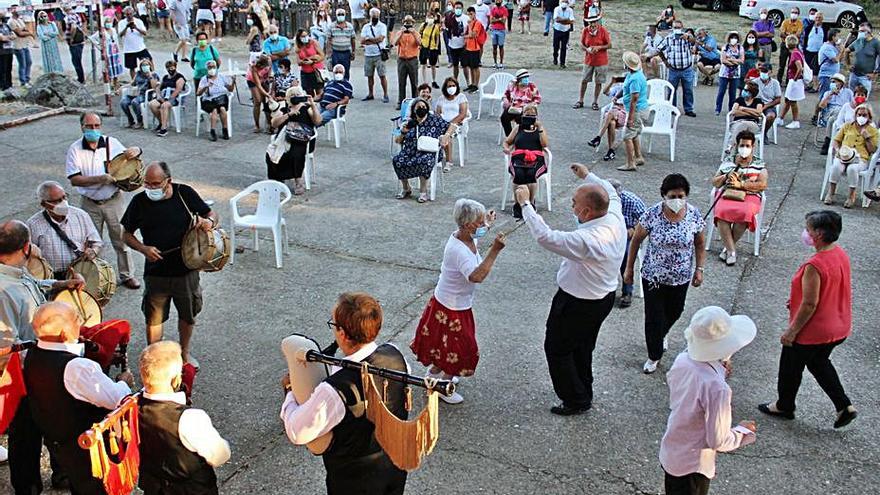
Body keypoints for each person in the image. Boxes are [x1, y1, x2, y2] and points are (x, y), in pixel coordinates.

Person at [516, 163, 625, 415]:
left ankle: (575, 399)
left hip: (579, 302)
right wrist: (587, 175)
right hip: (600, 297)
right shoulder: (613, 215)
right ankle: (583, 390)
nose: (571, 205)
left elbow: (545, 236)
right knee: (583, 347)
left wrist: (525, 205)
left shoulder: (589, 240)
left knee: (557, 348)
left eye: (575, 203)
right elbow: (610, 191)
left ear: (586, 212)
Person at [279, 292, 409, 494]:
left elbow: (298, 431)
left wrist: (290, 391)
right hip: (393, 470)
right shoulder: (396, 356)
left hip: (353, 482)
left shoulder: (334, 390)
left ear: (342, 334)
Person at [1, 220, 85, 493]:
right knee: (25, 434)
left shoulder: (15, 272)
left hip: (40, 362)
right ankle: (26, 486)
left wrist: (63, 283)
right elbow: (5, 345)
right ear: (27, 247)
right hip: (25, 373)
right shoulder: (3, 290)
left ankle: (60, 473)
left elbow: (34, 284)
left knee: (54, 422)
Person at [759, 210, 858, 429]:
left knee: (790, 367)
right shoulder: (839, 253)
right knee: (819, 362)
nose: (806, 232)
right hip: (838, 325)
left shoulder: (815, 265)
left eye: (809, 229)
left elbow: (810, 303)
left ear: (819, 234)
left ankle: (784, 405)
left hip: (814, 330)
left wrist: (792, 332)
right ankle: (844, 405)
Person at [23, 301, 133, 495]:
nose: (80, 323)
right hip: (84, 448)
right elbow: (116, 398)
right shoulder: (77, 368)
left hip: (56, 439)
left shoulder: (31, 353)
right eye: (76, 319)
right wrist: (124, 382)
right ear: (64, 333)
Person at [122, 162, 217, 368]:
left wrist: (209, 222)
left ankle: (184, 354)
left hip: (186, 269)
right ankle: (153, 358)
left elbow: (211, 214)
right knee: (154, 318)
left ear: (168, 181)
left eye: (156, 184)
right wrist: (143, 249)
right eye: (147, 184)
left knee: (188, 315)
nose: (151, 188)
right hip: (156, 272)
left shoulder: (185, 194)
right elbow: (126, 235)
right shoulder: (139, 202)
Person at [411, 199, 505, 403]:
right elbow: (477, 276)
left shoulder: (464, 236)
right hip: (453, 308)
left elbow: (477, 235)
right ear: (468, 225)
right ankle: (443, 385)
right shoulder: (459, 250)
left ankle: (434, 375)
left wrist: (487, 223)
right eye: (479, 223)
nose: (482, 226)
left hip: (446, 302)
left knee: (442, 345)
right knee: (461, 348)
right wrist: (495, 250)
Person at [660, 306, 757, 495]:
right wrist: (742, 431)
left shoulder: (682, 360)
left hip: (672, 450)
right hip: (693, 464)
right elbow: (718, 440)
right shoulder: (717, 388)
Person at [624, 174, 706, 374]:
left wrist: (699, 269)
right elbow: (636, 240)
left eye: (681, 195)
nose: (676, 200)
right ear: (664, 195)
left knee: (676, 310)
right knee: (653, 316)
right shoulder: (652, 214)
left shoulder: (694, 214)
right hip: (654, 276)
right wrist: (629, 268)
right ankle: (654, 354)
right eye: (672, 196)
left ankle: (663, 332)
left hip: (681, 276)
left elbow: (700, 243)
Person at [137, 341, 231, 494]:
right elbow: (220, 456)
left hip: (154, 488)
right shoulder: (190, 419)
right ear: (176, 378)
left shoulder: (131, 407)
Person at [66, 113, 141, 289]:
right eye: (89, 126)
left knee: (121, 240)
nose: (94, 130)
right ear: (82, 127)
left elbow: (130, 157)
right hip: (90, 202)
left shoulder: (111, 143)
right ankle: (96, 279)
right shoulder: (75, 149)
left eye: (97, 126)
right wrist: (99, 179)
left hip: (113, 200)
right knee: (91, 244)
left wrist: (137, 150)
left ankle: (127, 275)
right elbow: (74, 179)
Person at [711, 131, 768, 266]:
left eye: (748, 146)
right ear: (737, 145)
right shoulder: (729, 161)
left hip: (750, 196)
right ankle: (731, 250)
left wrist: (741, 184)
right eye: (742, 145)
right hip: (729, 194)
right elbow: (715, 182)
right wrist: (726, 176)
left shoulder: (759, 164)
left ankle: (728, 248)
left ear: (753, 146)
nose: (745, 149)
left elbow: (762, 184)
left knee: (745, 213)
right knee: (721, 211)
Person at [26, 181, 102, 279]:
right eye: (57, 201)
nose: (63, 203)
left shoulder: (81, 215)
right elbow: (29, 255)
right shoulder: (33, 224)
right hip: (52, 279)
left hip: (80, 275)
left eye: (64, 197)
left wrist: (93, 251)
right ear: (44, 204)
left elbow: (97, 242)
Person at [392, 97, 454, 203]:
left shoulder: (434, 119)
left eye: (424, 106)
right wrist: (403, 132)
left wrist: (446, 135)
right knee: (397, 160)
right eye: (419, 107)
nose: (421, 108)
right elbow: (398, 141)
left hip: (430, 152)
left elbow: (452, 126)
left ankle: (423, 190)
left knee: (423, 161)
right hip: (411, 151)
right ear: (414, 110)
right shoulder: (410, 123)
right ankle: (406, 188)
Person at [268, 87, 322, 194]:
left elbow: (318, 121)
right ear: (287, 98)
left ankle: (298, 180)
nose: (295, 97)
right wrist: (289, 114)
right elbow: (274, 124)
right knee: (272, 153)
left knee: (295, 153)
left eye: (298, 94)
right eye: (292, 95)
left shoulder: (307, 108)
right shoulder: (284, 108)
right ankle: (278, 178)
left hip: (302, 139)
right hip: (284, 138)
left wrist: (313, 105)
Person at [502, 104, 548, 219]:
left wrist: (540, 127)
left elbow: (545, 144)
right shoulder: (518, 128)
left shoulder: (539, 129)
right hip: (519, 158)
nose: (529, 118)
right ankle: (518, 203)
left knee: (531, 174)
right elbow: (507, 141)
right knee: (519, 174)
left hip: (536, 158)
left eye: (532, 116)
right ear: (523, 116)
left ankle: (531, 203)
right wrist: (506, 148)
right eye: (527, 115)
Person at [827, 105, 878, 207]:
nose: (861, 117)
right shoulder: (847, 126)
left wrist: (867, 138)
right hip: (844, 155)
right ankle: (831, 193)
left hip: (860, 158)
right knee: (836, 167)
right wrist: (838, 150)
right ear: (855, 115)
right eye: (859, 115)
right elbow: (836, 141)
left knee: (852, 169)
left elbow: (873, 150)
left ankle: (851, 196)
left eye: (864, 115)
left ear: (869, 117)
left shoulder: (873, 131)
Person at [607, 179, 645, 308]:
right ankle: (604, 289)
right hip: (607, 233)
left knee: (626, 254)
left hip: (628, 236)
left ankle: (627, 291)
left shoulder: (631, 200)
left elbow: (646, 220)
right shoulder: (600, 200)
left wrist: (634, 229)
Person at [652, 20, 696, 117]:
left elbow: (694, 42)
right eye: (675, 27)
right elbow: (659, 49)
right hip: (673, 69)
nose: (677, 29)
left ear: (682, 28)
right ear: (672, 28)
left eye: (679, 27)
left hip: (686, 68)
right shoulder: (668, 38)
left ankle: (688, 109)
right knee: (672, 89)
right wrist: (665, 61)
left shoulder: (687, 37)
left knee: (688, 90)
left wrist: (688, 38)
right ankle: (672, 107)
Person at [618, 51, 648, 172]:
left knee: (627, 136)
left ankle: (630, 163)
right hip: (639, 109)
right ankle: (638, 156)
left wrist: (630, 117)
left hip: (636, 110)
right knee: (634, 134)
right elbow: (625, 89)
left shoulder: (635, 78)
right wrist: (618, 96)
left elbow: (634, 98)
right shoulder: (634, 75)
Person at [573, 14, 610, 110]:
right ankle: (580, 100)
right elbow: (581, 44)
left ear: (597, 22)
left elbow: (609, 45)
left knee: (598, 82)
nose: (592, 25)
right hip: (589, 60)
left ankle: (595, 101)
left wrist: (599, 47)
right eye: (591, 23)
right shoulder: (585, 30)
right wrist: (587, 49)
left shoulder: (603, 31)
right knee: (584, 80)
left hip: (601, 61)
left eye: (594, 23)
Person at [587, 75, 626, 162]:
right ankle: (610, 150)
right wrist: (612, 82)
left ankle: (598, 137)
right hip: (614, 111)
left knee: (610, 113)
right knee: (611, 123)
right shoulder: (618, 88)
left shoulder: (630, 89)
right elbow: (605, 92)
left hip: (624, 112)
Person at [435, 76, 468, 171]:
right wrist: (442, 122)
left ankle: (449, 162)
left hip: (457, 123)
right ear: (445, 88)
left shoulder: (461, 97)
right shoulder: (441, 98)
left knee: (448, 133)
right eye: (449, 86)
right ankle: (440, 157)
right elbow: (438, 113)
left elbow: (463, 114)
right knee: (444, 132)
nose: (451, 88)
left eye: (453, 85)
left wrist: (452, 122)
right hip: (443, 123)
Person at [196, 60, 234, 141]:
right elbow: (198, 93)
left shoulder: (221, 77)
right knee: (214, 110)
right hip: (209, 100)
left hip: (221, 99)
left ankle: (225, 129)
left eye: (214, 67)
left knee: (223, 109)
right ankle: (212, 131)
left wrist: (233, 81)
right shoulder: (204, 79)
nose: (212, 69)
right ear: (207, 69)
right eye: (210, 67)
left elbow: (230, 89)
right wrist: (206, 87)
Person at [148, 60, 187, 137]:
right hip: (164, 96)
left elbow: (178, 90)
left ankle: (164, 128)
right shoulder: (165, 77)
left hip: (174, 98)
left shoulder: (180, 77)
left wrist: (169, 99)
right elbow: (159, 87)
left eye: (172, 67)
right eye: (168, 68)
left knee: (164, 105)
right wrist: (159, 95)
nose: (170, 69)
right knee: (152, 104)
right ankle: (162, 122)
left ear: (175, 67)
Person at [814, 73, 852, 151]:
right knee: (836, 112)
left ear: (841, 83)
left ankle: (827, 141)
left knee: (832, 119)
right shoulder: (827, 93)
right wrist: (830, 95)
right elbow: (821, 106)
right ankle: (836, 141)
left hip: (843, 114)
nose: (832, 83)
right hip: (830, 112)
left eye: (835, 82)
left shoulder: (848, 92)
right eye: (832, 82)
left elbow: (853, 104)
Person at [88, 17, 125, 94]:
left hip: (115, 51)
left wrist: (118, 49)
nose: (109, 23)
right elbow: (92, 38)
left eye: (110, 21)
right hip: (108, 52)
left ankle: (116, 87)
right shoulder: (102, 31)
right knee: (109, 70)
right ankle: (109, 88)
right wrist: (100, 46)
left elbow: (116, 40)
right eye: (107, 22)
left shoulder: (114, 30)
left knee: (116, 70)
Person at [120, 57, 159, 129]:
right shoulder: (138, 73)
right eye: (143, 65)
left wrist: (150, 76)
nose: (145, 67)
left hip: (146, 95)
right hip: (136, 93)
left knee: (135, 102)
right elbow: (132, 83)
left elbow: (154, 87)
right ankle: (130, 120)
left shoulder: (154, 74)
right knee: (123, 102)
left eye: (146, 65)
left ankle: (140, 121)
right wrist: (122, 87)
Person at [500, 68, 541, 136]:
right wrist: (505, 100)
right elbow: (505, 94)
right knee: (504, 118)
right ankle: (510, 136)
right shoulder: (512, 85)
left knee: (522, 119)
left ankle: (521, 137)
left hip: (526, 108)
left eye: (527, 77)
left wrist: (531, 105)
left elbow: (537, 98)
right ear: (519, 79)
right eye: (525, 77)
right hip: (513, 107)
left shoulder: (531, 86)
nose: (527, 79)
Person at [361, 8, 390, 103]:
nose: (375, 17)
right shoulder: (366, 27)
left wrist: (368, 40)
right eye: (373, 16)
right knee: (369, 76)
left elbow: (381, 39)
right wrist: (373, 40)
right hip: (368, 54)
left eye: (376, 16)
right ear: (370, 16)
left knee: (382, 75)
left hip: (379, 54)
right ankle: (370, 93)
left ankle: (385, 94)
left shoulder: (382, 26)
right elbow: (362, 41)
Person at [844, 22, 880, 96]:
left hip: (866, 77)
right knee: (851, 98)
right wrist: (848, 64)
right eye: (859, 31)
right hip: (854, 74)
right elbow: (846, 51)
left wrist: (876, 73)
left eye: (863, 31)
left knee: (862, 100)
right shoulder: (858, 41)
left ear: (869, 32)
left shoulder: (876, 43)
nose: (860, 33)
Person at [394, 15, 422, 107]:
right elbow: (395, 43)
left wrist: (413, 33)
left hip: (412, 59)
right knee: (401, 82)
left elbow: (419, 43)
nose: (408, 24)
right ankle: (401, 102)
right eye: (406, 22)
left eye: (409, 22)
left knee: (414, 82)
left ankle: (415, 102)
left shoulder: (416, 33)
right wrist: (401, 33)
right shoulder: (399, 32)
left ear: (413, 24)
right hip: (402, 59)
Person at [714, 31, 744, 116]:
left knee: (733, 93)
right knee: (721, 91)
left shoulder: (740, 48)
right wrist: (733, 62)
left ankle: (731, 109)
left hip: (735, 74)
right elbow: (723, 60)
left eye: (735, 38)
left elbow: (741, 60)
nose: (733, 40)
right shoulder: (725, 47)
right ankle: (718, 108)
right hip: (724, 73)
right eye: (732, 38)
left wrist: (731, 59)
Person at [727, 80, 764, 148]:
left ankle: (731, 146)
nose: (743, 91)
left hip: (752, 124)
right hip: (738, 122)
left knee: (745, 124)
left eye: (745, 90)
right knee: (742, 125)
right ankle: (736, 149)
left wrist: (744, 109)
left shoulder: (758, 101)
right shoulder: (739, 99)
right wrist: (753, 113)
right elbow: (734, 112)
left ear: (751, 93)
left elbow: (759, 113)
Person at [779, 35, 804, 129]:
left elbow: (799, 68)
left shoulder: (795, 54)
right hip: (793, 80)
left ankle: (795, 121)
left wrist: (795, 79)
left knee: (793, 101)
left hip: (795, 80)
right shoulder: (798, 52)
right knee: (788, 99)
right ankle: (781, 118)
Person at [118, 7, 150, 80]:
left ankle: (149, 79)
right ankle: (135, 81)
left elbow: (145, 33)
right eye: (127, 14)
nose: (129, 15)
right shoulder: (121, 23)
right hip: (129, 49)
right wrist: (126, 27)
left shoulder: (138, 21)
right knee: (132, 67)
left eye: (130, 14)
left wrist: (136, 28)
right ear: (125, 15)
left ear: (133, 14)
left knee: (147, 63)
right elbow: (120, 35)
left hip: (140, 47)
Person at [294, 28, 326, 97]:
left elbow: (322, 56)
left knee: (319, 92)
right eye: (303, 36)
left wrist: (312, 61)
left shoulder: (313, 42)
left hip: (316, 70)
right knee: (309, 93)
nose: (305, 38)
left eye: (306, 35)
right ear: (299, 38)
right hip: (305, 72)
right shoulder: (298, 46)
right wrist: (303, 61)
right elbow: (298, 62)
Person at [245, 54, 272, 133]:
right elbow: (258, 85)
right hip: (252, 81)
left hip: (264, 78)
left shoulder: (268, 60)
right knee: (258, 101)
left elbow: (270, 70)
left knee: (267, 101)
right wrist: (268, 94)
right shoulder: (253, 67)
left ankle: (269, 123)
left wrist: (269, 77)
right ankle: (257, 125)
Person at [8, 5, 34, 88]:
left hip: (24, 44)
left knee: (29, 62)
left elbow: (24, 30)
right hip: (17, 46)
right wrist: (29, 33)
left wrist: (26, 32)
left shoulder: (20, 19)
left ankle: (27, 79)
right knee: (22, 64)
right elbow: (20, 33)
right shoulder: (11, 21)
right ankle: (23, 82)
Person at [777, 6, 803, 85]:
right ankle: (779, 81)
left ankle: (789, 81)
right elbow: (781, 34)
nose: (793, 14)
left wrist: (788, 35)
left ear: (798, 14)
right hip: (784, 45)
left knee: (791, 65)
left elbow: (798, 35)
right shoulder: (785, 22)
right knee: (781, 65)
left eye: (795, 13)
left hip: (794, 46)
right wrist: (791, 36)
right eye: (792, 12)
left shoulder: (799, 23)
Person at [754, 62, 781, 137]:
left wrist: (766, 106)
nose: (763, 73)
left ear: (770, 72)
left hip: (769, 105)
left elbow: (778, 99)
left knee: (770, 116)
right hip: (756, 104)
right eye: (762, 71)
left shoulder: (775, 83)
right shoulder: (755, 82)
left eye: (765, 71)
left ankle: (764, 133)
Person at [62, 5, 87, 84]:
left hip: (75, 41)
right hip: (79, 40)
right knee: (78, 60)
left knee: (76, 61)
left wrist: (72, 38)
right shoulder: (76, 15)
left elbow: (73, 27)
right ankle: (81, 78)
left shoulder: (69, 17)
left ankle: (81, 79)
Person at [329, 9, 356, 80]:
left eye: (342, 14)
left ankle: (346, 86)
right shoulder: (331, 26)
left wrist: (353, 51)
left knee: (346, 71)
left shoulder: (349, 26)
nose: (340, 16)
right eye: (339, 14)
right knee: (336, 70)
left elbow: (353, 39)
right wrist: (329, 53)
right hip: (335, 52)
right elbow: (329, 40)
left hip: (346, 52)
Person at [814, 28, 841, 100]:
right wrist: (841, 51)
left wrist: (841, 48)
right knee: (824, 96)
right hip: (826, 76)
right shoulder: (827, 47)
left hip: (832, 75)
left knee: (830, 96)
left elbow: (841, 57)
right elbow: (836, 60)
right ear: (833, 37)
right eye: (837, 36)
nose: (839, 38)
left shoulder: (833, 47)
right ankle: (820, 110)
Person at [446, 2, 468, 86]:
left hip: (463, 45)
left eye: (459, 8)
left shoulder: (466, 18)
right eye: (456, 8)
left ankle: (468, 82)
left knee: (465, 65)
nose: (457, 9)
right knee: (455, 65)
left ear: (462, 9)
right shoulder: (450, 18)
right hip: (453, 44)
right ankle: (455, 82)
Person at [803, 11, 825, 93]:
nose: (818, 19)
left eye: (819, 18)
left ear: (822, 19)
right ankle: (810, 84)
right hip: (809, 50)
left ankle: (816, 86)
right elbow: (805, 38)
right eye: (816, 17)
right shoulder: (809, 27)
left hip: (818, 52)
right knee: (809, 69)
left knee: (816, 69)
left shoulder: (825, 28)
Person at [419, 11, 442, 88]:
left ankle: (433, 80)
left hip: (432, 48)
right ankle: (424, 81)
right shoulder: (423, 25)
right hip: (424, 47)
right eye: (428, 17)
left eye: (432, 17)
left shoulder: (436, 27)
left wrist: (436, 46)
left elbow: (438, 37)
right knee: (423, 65)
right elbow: (420, 34)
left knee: (433, 65)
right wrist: (420, 44)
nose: (430, 18)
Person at [551, 0, 573, 68]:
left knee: (564, 47)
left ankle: (562, 63)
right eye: (563, 1)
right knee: (556, 46)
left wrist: (562, 20)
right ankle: (555, 58)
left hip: (566, 31)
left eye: (566, 2)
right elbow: (556, 19)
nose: (564, 3)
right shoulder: (557, 9)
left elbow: (572, 21)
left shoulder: (570, 10)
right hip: (557, 30)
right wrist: (566, 20)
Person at [488, 0, 507, 69]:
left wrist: (496, 19)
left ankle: (501, 63)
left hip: (501, 30)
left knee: (501, 46)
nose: (497, 1)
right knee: (494, 47)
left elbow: (504, 21)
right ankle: (495, 62)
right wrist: (499, 19)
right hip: (494, 30)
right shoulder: (493, 9)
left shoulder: (504, 9)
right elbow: (491, 20)